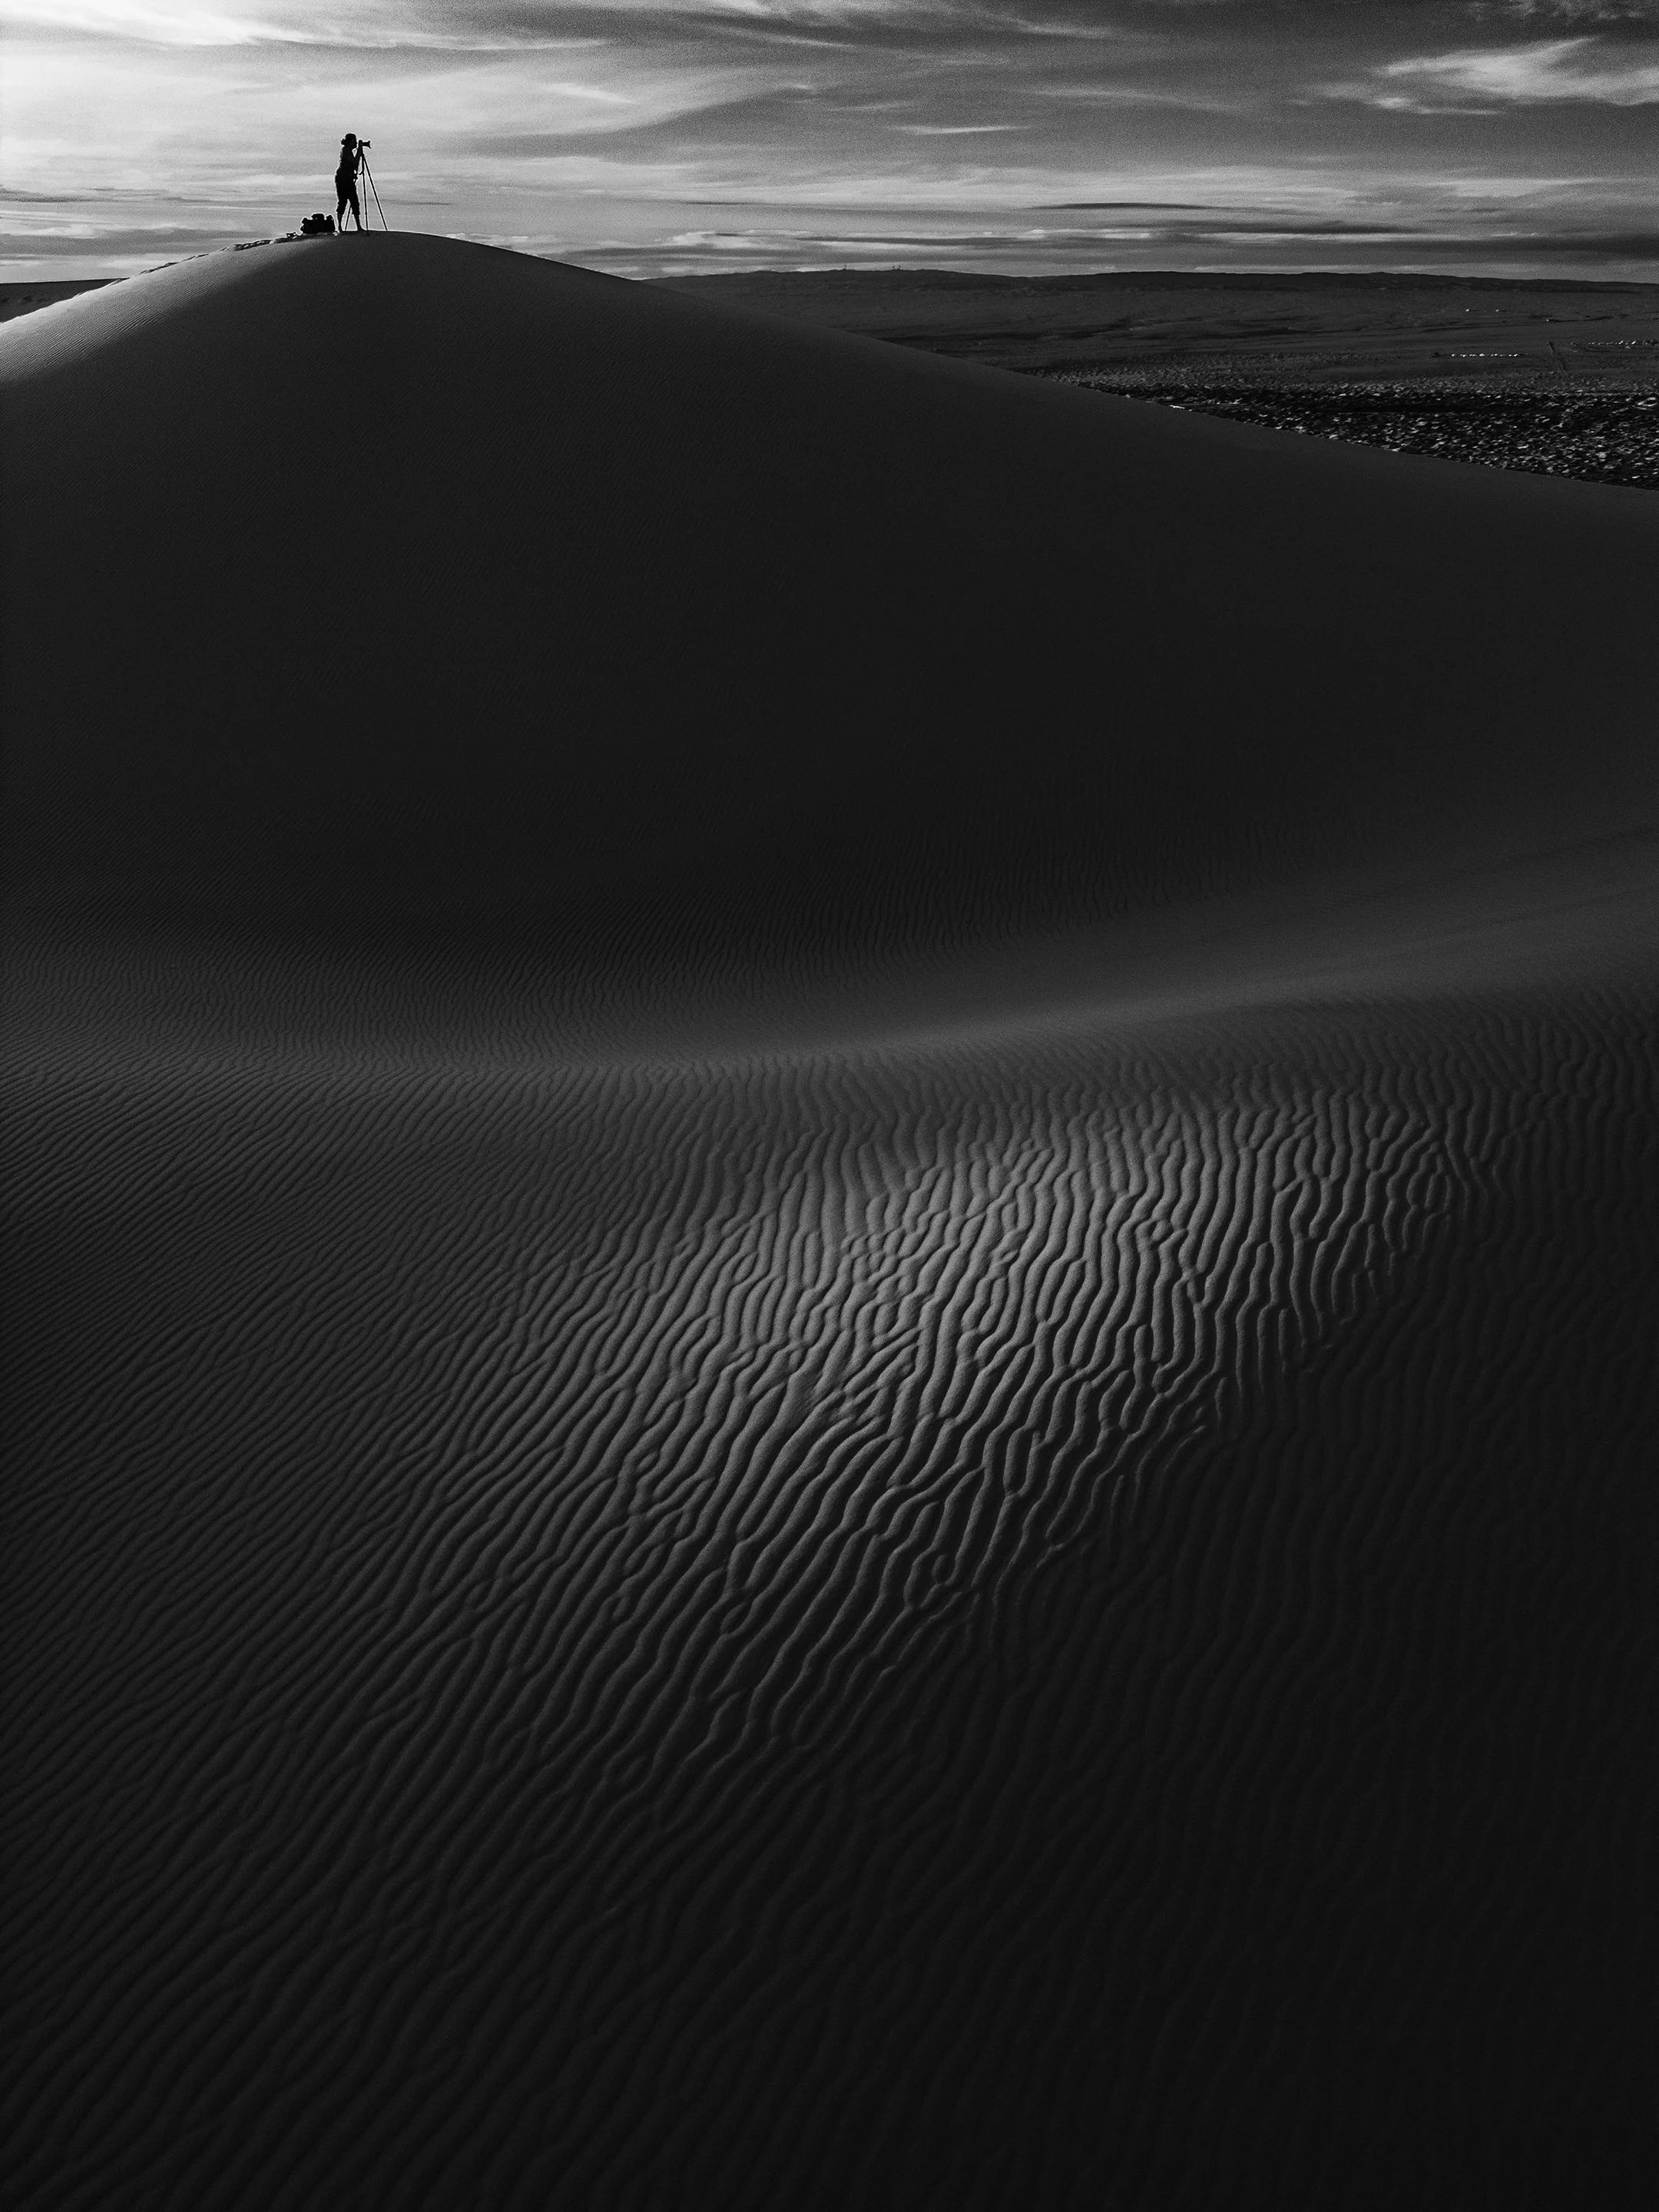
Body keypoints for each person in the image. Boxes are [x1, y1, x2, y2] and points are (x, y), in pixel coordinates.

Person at [336, 135, 363, 233]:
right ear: (350, 142)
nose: (356, 143)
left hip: (349, 179)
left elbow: (355, 163)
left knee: (355, 202)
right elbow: (355, 161)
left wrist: (359, 151)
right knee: (342, 202)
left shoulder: (349, 151)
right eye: (354, 141)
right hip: (342, 180)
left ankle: (359, 227)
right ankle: (339, 227)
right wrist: (360, 149)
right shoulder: (345, 150)